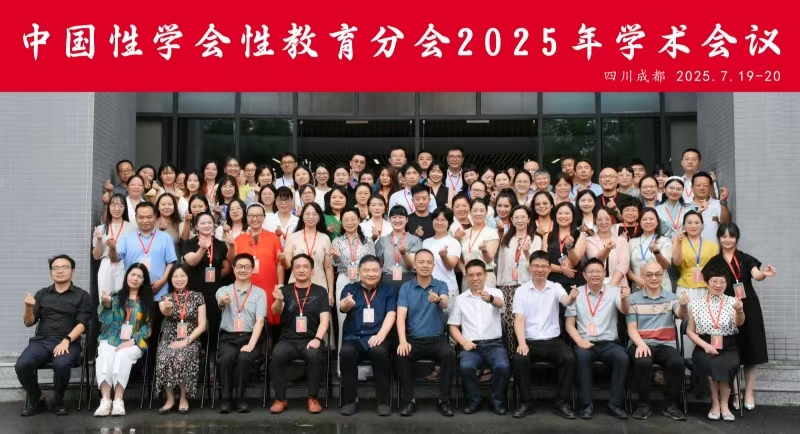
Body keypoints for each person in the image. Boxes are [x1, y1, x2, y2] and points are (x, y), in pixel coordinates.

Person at [704, 222, 777, 410]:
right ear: (719, 238)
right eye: (724, 236)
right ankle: (735, 394)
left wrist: (764, 274)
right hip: (725, 308)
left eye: (732, 236)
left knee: (752, 351)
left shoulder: (744, 257)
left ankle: (749, 392)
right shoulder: (714, 261)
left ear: (737, 238)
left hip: (749, 306)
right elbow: (709, 283)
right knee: (732, 352)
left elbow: (756, 274)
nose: (727, 240)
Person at [17, 255, 93, 416]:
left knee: (61, 364)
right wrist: (28, 308)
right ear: (51, 272)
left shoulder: (82, 295)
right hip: (42, 341)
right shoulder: (42, 294)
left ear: (72, 271)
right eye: (55, 268)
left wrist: (67, 340)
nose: (60, 271)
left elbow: (83, 324)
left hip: (68, 341)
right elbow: (29, 322)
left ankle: (57, 401)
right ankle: (38, 400)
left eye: (64, 267)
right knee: (22, 365)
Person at [512, 251, 579, 419]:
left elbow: (566, 300)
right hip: (529, 341)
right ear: (530, 268)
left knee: (569, 358)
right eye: (536, 266)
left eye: (543, 266)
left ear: (549, 269)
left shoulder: (555, 287)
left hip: (552, 341)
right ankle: (526, 402)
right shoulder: (521, 291)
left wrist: (572, 298)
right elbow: (518, 320)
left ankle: (561, 402)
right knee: (519, 358)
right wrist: (522, 343)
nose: (540, 269)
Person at [565, 258, 631, 420]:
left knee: (622, 358)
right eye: (591, 272)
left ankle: (615, 404)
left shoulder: (614, 291)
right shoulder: (576, 293)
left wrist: (624, 299)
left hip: (609, 343)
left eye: (598, 271)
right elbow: (569, 324)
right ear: (584, 275)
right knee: (581, 356)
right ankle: (586, 404)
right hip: (585, 342)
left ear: (604, 273)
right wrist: (579, 341)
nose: (595, 274)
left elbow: (624, 311)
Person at [626, 262, 689, 421]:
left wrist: (683, 306)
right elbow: (631, 328)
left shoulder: (671, 297)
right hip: (640, 342)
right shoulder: (633, 299)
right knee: (643, 361)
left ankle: (670, 405)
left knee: (677, 363)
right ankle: (643, 405)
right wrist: (641, 344)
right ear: (642, 276)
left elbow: (681, 315)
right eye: (649, 274)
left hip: (665, 344)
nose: (654, 278)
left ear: (663, 276)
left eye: (658, 274)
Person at [396, 249, 455, 417]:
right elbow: (401, 316)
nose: (425, 265)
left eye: (429, 262)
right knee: (402, 354)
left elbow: (445, 303)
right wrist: (402, 341)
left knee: (449, 354)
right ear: (414, 265)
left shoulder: (440, 285)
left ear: (434, 266)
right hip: (414, 340)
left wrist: (438, 300)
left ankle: (444, 400)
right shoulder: (406, 288)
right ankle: (409, 400)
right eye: (421, 262)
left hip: (437, 340)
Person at [270, 254, 330, 415]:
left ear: (312, 270)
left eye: (305, 267)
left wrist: (318, 339)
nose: (301, 270)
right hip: (288, 340)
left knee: (314, 354)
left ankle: (313, 398)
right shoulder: (284, 290)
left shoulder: (321, 291)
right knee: (277, 354)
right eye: (297, 267)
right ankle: (280, 399)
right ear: (293, 270)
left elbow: (325, 320)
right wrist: (278, 300)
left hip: (311, 339)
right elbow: (276, 312)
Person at [448, 260, 509, 415]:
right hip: (471, 346)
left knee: (502, 366)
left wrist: (490, 299)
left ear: (485, 275)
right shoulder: (461, 299)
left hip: (494, 345)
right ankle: (474, 401)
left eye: (479, 274)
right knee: (466, 366)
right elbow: (453, 326)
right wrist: (463, 342)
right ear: (466, 277)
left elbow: (500, 304)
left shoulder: (495, 292)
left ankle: (497, 402)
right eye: (471, 275)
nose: (475, 278)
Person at [338, 255, 397, 416]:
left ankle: (383, 401)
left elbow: (391, 314)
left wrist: (380, 335)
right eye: (366, 270)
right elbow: (343, 307)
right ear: (359, 272)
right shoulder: (350, 288)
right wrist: (346, 304)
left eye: (375, 270)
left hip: (378, 336)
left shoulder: (388, 290)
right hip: (355, 337)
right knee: (346, 353)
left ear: (380, 272)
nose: (371, 274)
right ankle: (350, 400)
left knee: (379, 352)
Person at [686, 265, 745, 422]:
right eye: (714, 281)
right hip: (704, 344)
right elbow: (690, 331)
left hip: (729, 346)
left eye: (722, 282)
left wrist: (739, 311)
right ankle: (715, 404)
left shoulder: (734, 302)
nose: (718, 285)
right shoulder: (695, 304)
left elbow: (739, 323)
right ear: (707, 282)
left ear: (726, 284)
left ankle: (724, 405)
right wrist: (706, 346)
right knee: (711, 364)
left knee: (726, 364)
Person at [94, 263, 153, 417]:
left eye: (139, 276)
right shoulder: (115, 297)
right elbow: (105, 319)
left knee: (122, 355)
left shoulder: (146, 302)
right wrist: (106, 304)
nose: (135, 278)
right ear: (127, 276)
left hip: (135, 341)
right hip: (111, 337)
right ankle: (105, 400)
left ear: (144, 281)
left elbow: (147, 328)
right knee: (104, 354)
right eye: (133, 274)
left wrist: (132, 341)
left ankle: (118, 400)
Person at [215, 254, 266, 413]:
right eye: (239, 266)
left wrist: (251, 344)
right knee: (226, 358)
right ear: (233, 269)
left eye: (246, 267)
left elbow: (260, 321)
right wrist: (224, 301)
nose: (243, 270)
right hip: (228, 338)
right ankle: (226, 398)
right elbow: (220, 302)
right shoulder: (224, 290)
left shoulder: (260, 293)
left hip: (250, 337)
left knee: (244, 358)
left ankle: (240, 398)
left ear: (252, 269)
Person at [154, 265, 207, 414]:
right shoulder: (165, 297)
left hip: (191, 339)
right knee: (164, 356)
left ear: (188, 277)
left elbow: (202, 325)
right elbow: (165, 311)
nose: (179, 279)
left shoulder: (198, 297)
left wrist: (186, 341)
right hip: (169, 339)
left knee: (182, 356)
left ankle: (184, 398)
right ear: (170, 279)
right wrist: (167, 307)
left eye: (182, 276)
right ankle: (170, 398)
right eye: (175, 276)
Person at [374, 205, 422, 293]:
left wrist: (404, 253)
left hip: (407, 280)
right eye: (394, 217)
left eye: (401, 217)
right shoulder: (382, 240)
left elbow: (412, 265)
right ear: (389, 219)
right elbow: (379, 264)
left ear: (406, 219)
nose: (397, 220)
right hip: (386, 281)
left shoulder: (414, 240)